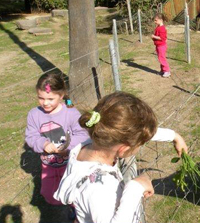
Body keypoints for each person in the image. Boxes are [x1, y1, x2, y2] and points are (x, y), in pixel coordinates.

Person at [54, 91, 188, 223]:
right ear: (123, 149)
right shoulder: (99, 189)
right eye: (140, 144)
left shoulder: (90, 144)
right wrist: (135, 187)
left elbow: (132, 133)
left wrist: (173, 136)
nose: (141, 144)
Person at [25, 72, 89, 206]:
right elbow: (31, 136)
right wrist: (43, 143)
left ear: (61, 96)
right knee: (48, 193)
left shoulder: (70, 113)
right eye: (41, 98)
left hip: (70, 163)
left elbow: (82, 134)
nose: (45, 103)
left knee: (74, 192)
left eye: (50, 99)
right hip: (48, 165)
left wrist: (67, 147)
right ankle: (63, 205)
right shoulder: (34, 114)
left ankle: (74, 209)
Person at [151, 13, 170, 78]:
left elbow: (162, 38)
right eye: (154, 20)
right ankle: (163, 70)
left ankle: (167, 71)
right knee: (160, 58)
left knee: (162, 58)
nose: (155, 22)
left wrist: (154, 36)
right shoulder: (158, 27)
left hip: (161, 46)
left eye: (156, 20)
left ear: (161, 20)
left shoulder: (162, 28)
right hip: (158, 45)